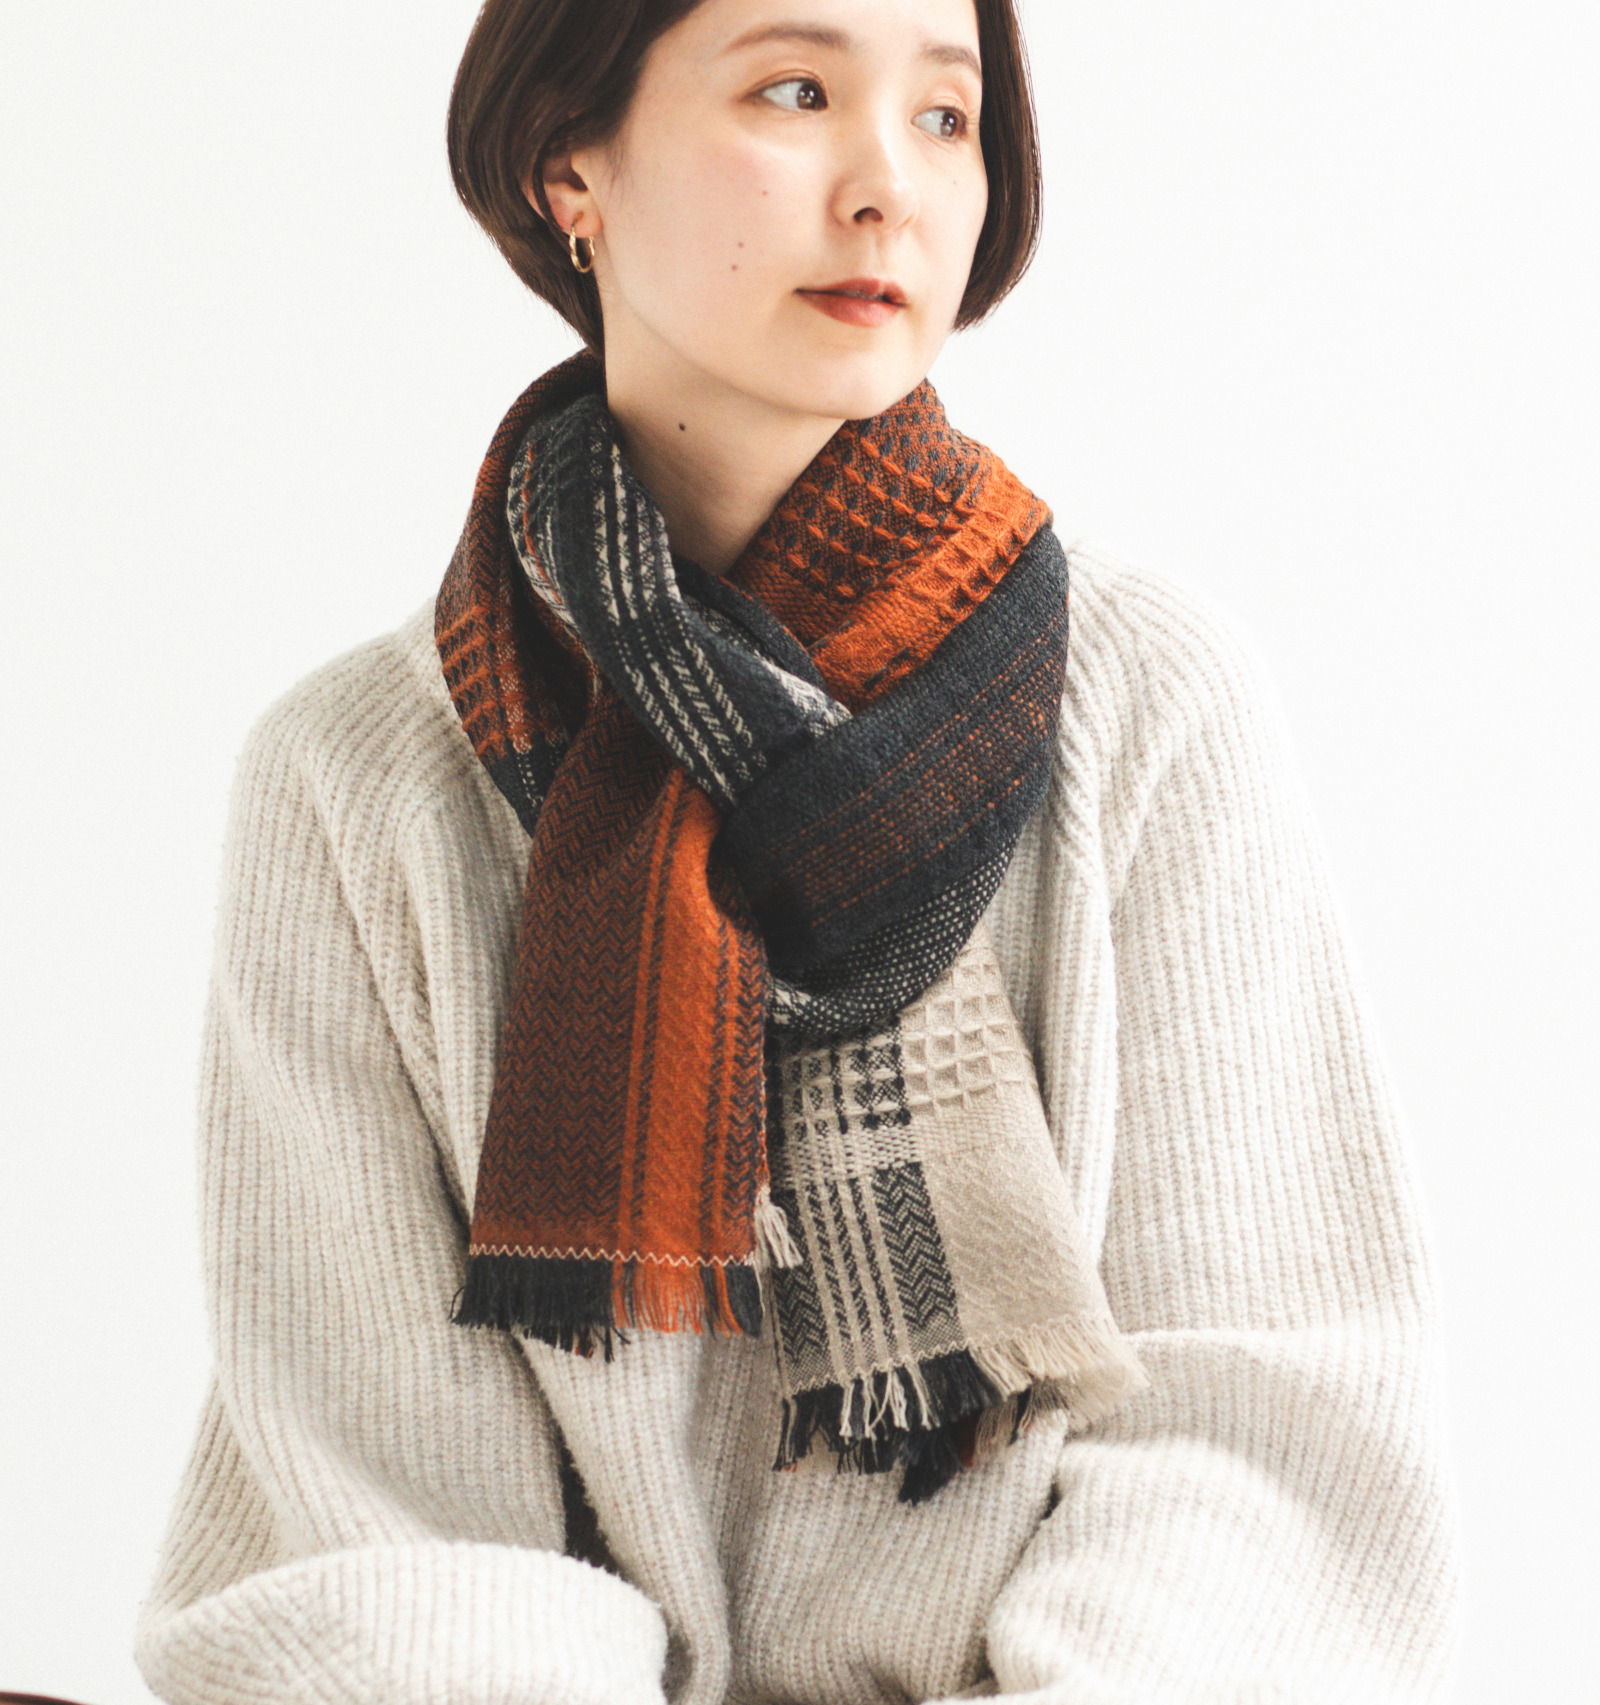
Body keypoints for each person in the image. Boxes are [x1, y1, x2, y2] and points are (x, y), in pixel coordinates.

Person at [135, 1, 1463, 1700]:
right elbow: (395, 1522)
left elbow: (1261, 1435)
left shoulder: (1146, 699)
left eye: (946, 116)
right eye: (795, 89)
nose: (887, 184)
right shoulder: (355, 781)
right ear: (566, 165)